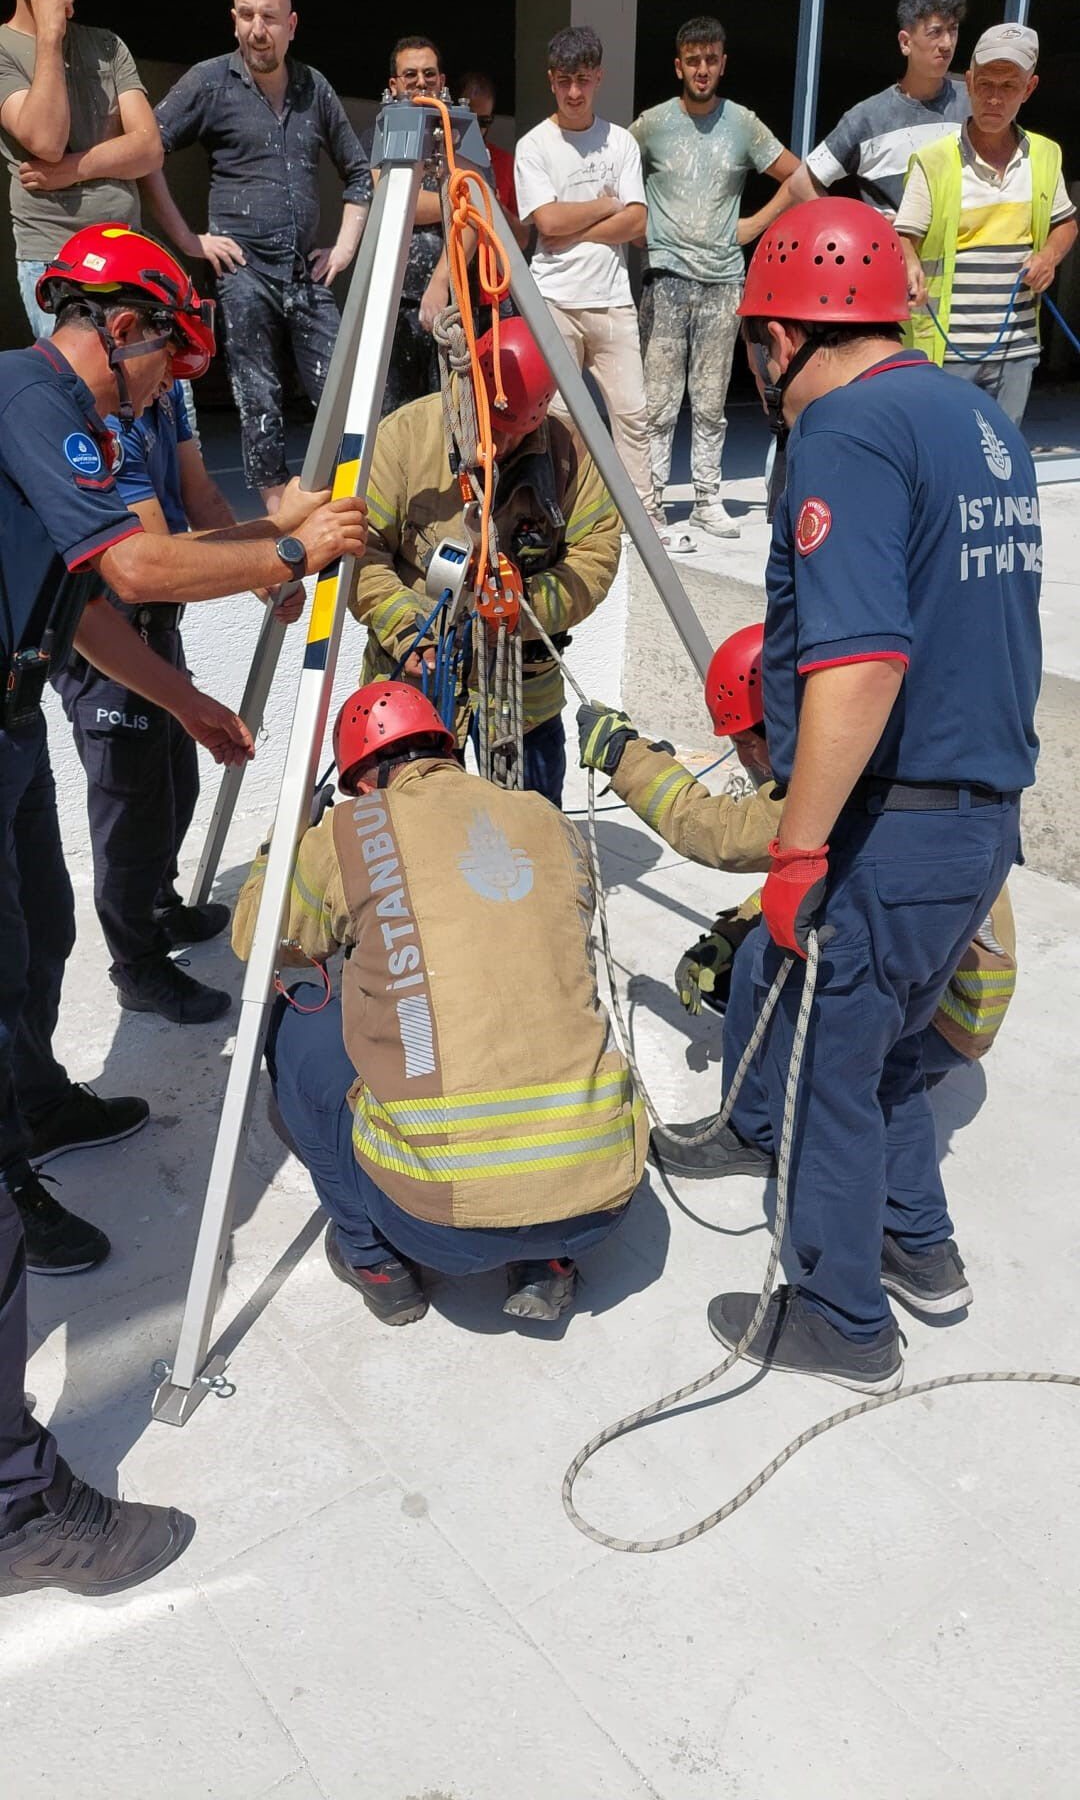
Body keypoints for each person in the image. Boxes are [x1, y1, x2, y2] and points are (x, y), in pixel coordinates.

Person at [0, 223, 367, 1596]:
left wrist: (199, 705)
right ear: (124, 328)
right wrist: (288, 545)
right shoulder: (35, 398)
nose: (166, 389)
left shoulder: (61, 424)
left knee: (35, 936)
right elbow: (147, 570)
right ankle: (10, 1170)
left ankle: (36, 1105)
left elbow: (87, 604)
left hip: (9, 719)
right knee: (5, 955)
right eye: (165, 359)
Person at [700, 197, 1040, 1392]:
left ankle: (842, 1319)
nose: (758, 376)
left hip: (893, 825)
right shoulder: (973, 418)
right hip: (981, 819)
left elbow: (864, 658)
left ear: (785, 334)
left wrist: (796, 857)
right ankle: (918, 1246)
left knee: (831, 1068)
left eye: (754, 347)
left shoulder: (842, 428)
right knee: (893, 1053)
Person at [232, 682, 645, 1326]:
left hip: (442, 1227)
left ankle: (374, 1259)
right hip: (603, 1204)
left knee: (296, 1016)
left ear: (363, 780)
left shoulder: (350, 828)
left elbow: (256, 939)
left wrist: (278, 849)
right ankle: (549, 1262)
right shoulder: (545, 816)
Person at [577, 621, 1019, 1178]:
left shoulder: (841, 778)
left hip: (931, 1028)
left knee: (765, 958)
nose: (743, 759)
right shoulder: (893, 745)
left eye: (745, 741)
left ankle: (749, 1133)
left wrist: (625, 758)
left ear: (786, 721)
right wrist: (731, 929)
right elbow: (820, 875)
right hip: (937, 1002)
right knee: (757, 941)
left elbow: (712, 831)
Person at [54, 373, 306, 1027]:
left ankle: (160, 907)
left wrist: (266, 576)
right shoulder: (103, 416)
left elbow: (202, 498)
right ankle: (136, 967)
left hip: (158, 633)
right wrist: (281, 545)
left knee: (176, 784)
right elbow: (153, 554)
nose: (178, 366)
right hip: (111, 644)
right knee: (130, 817)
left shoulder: (168, 396)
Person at [351, 318, 621, 808]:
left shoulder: (569, 455)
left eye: (510, 435)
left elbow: (596, 554)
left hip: (523, 700)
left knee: (531, 840)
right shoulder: (405, 439)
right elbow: (357, 551)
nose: (491, 448)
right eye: (486, 426)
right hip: (414, 695)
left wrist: (527, 603)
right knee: (413, 843)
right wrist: (405, 624)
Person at [144, 0, 371, 512]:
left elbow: (360, 175)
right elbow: (146, 149)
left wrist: (342, 250)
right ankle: (276, 510)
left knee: (341, 387)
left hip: (303, 271)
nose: (257, 30)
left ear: (291, 25)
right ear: (234, 19)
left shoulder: (314, 88)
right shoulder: (209, 80)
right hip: (242, 271)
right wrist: (189, 240)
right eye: (246, 16)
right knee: (259, 396)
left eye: (269, 17)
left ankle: (355, 503)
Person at [630, 17, 798, 539]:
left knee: (710, 398)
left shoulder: (743, 123)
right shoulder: (651, 125)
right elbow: (613, 171)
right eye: (693, 60)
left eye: (711, 60)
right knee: (657, 400)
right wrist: (639, 228)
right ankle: (651, 502)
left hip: (724, 279)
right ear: (678, 65)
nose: (702, 70)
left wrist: (753, 225)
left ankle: (707, 498)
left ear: (723, 64)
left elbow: (796, 175)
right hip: (666, 278)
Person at [514, 26, 672, 549]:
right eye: (565, 81)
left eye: (584, 80)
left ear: (599, 77)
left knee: (633, 413)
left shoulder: (621, 142)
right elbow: (546, 221)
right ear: (551, 82)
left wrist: (573, 225)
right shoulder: (534, 145)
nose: (574, 92)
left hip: (611, 302)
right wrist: (606, 205)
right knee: (557, 418)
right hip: (552, 299)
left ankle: (644, 517)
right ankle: (567, 517)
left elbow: (637, 223)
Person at [895, 23, 1077, 427]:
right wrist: (908, 265)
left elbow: (1066, 224)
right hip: (945, 348)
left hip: (1017, 348)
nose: (994, 98)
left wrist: (1049, 256)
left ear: (1029, 89)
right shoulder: (935, 160)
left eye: (1009, 86)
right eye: (986, 84)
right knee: (945, 455)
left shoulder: (1046, 156)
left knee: (1002, 457)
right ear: (970, 83)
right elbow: (904, 236)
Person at [0, 0, 162, 337]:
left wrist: (70, 170)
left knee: (161, 394)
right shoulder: (2, 49)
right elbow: (46, 139)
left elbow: (148, 146)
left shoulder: (107, 45)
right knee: (89, 394)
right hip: (57, 259)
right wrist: (50, 34)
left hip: (127, 250)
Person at [776, 0, 970, 221]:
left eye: (953, 29)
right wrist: (856, 231)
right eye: (935, 32)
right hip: (894, 258)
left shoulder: (974, 101)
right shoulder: (867, 117)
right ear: (905, 42)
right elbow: (801, 182)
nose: (947, 43)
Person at [363, 35, 449, 415]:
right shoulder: (378, 136)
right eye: (409, 74)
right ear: (393, 85)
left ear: (442, 81)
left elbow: (475, 220)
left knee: (450, 420)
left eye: (429, 74)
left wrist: (441, 283)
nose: (420, 81)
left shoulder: (460, 139)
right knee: (390, 419)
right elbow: (397, 202)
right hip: (392, 306)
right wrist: (454, 200)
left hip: (449, 305)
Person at [456, 69, 528, 249]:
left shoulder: (505, 162)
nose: (477, 128)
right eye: (470, 119)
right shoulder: (437, 159)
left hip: (491, 274)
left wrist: (493, 204)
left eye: (484, 121)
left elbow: (522, 239)